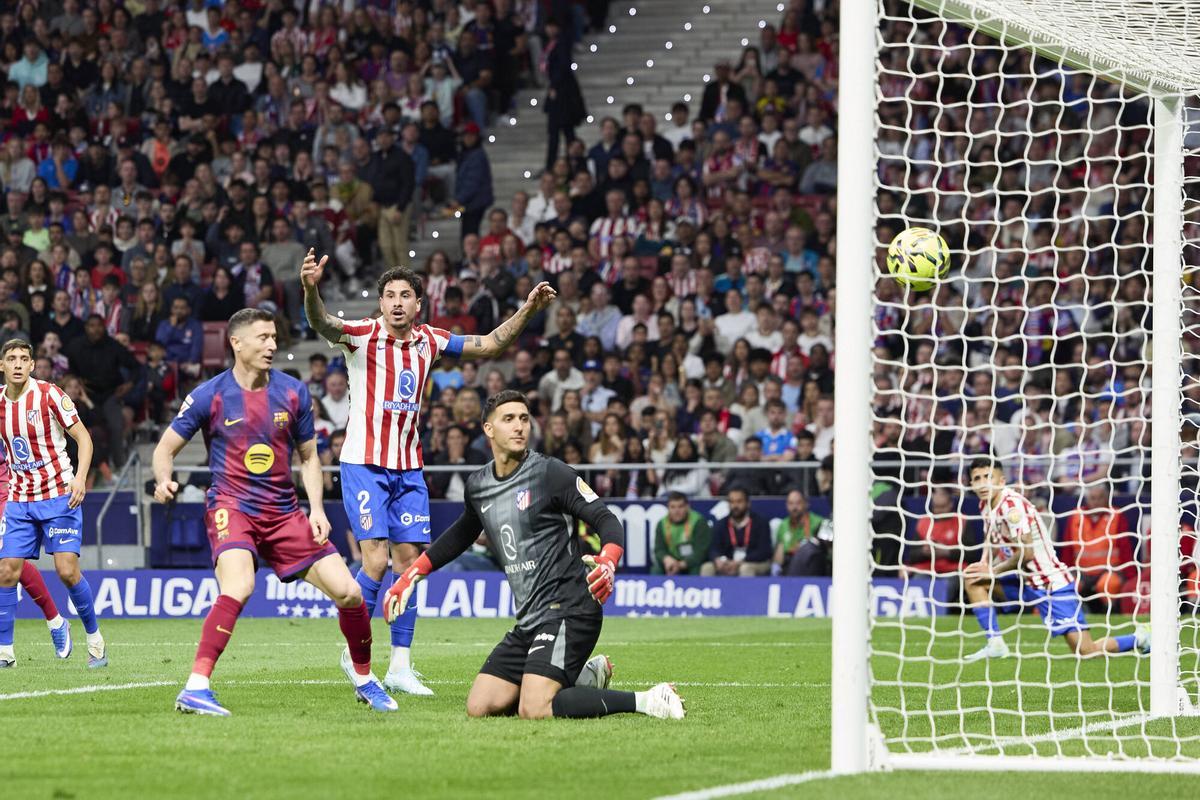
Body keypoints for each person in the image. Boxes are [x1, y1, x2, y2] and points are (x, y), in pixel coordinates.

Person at [302, 250, 556, 695]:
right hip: (363, 463)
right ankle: (355, 648)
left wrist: (529, 309)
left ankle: (400, 667)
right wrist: (310, 289)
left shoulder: (431, 341)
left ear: (418, 303)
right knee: (375, 560)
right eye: (389, 295)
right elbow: (321, 322)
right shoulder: (361, 336)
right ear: (380, 303)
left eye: (405, 295)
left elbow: (490, 344)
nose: (397, 302)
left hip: (409, 469)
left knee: (409, 565)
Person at [382, 390, 685, 720]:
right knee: (480, 706)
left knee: (534, 707)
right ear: (488, 429)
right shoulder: (479, 485)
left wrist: (609, 559)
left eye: (524, 419)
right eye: (509, 419)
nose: (519, 426)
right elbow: (461, 534)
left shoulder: (550, 473)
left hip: (571, 609)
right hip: (529, 618)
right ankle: (582, 680)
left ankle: (648, 700)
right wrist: (411, 574)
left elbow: (605, 519)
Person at [152, 309, 395, 715]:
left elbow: (309, 457)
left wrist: (316, 509)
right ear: (236, 343)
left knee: (349, 592)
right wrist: (163, 480)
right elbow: (164, 449)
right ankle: (195, 687)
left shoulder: (293, 392)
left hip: (284, 512)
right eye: (263, 337)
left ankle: (365, 679)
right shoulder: (210, 395)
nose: (272, 345)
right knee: (239, 585)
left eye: (274, 337)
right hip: (232, 506)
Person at [962, 456, 1149, 662]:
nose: (983, 484)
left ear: (1001, 480)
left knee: (1086, 651)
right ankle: (995, 643)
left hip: (1050, 583)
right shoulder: (985, 504)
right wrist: (984, 562)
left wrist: (993, 571)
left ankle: (1140, 638)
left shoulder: (1012, 507)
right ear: (971, 483)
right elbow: (991, 537)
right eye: (977, 479)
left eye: (988, 477)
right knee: (972, 578)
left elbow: (1027, 553)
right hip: (1024, 581)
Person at [0, 338, 103, 668]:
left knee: (67, 571)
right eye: (11, 358)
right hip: (19, 498)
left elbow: (83, 438)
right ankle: (5, 652)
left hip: (58, 494)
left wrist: (80, 478)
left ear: (32, 365)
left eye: (24, 359)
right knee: (6, 570)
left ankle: (94, 639)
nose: (18, 364)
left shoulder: (50, 395)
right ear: (2, 365)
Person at [700, 488, 773, 577]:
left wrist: (741, 561)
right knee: (707, 567)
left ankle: (747, 587)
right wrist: (718, 559)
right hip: (728, 563)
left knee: (745, 568)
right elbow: (713, 548)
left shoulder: (760, 523)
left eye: (739, 501)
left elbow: (764, 551)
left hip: (753, 562)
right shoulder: (721, 524)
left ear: (748, 503)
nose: (735, 506)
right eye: (732, 502)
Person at [653, 492, 712, 576]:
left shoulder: (698, 521)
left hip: (692, 562)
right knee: (656, 570)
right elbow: (659, 549)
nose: (676, 511)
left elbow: (701, 551)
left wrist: (681, 565)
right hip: (671, 561)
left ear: (687, 507)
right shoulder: (662, 524)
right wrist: (666, 559)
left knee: (696, 569)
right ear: (668, 508)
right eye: (672, 507)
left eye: (680, 506)